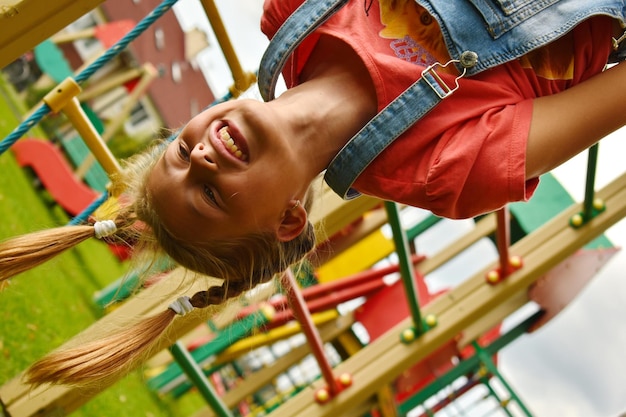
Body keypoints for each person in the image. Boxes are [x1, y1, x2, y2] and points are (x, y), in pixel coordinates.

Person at [3, 0, 626, 385]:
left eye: (178, 155)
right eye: (211, 195)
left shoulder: (294, 11)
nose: (201, 157)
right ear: (288, 220)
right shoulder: (448, 168)